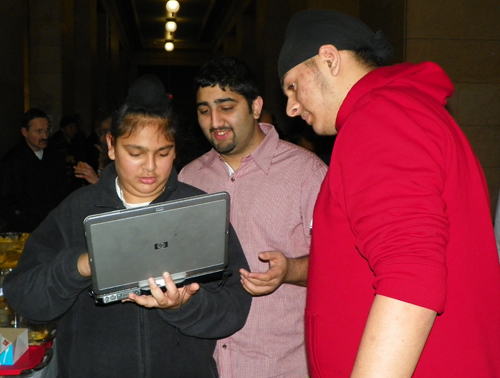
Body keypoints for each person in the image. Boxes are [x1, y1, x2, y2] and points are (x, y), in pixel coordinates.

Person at [278, 9, 500, 378]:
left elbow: (411, 276)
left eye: (292, 86)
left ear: (329, 59)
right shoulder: (404, 110)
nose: (291, 106)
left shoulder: (380, 116)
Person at [3, 74, 252, 378]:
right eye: (135, 153)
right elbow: (25, 298)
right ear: (111, 146)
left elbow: (234, 308)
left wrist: (183, 306)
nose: (150, 167)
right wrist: (82, 265)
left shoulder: (199, 212)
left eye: (163, 153)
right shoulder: (76, 210)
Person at [179, 56, 327, 377]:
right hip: (206, 363)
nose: (215, 120)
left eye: (226, 106)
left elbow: (341, 265)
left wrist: (289, 270)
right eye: (204, 110)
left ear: (256, 106)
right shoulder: (189, 179)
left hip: (278, 365)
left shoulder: (307, 173)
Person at [0, 108, 67, 232]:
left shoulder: (54, 156)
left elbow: (63, 189)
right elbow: (7, 202)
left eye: (47, 130)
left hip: (55, 225)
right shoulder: (12, 162)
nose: (45, 136)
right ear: (25, 132)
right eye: (38, 131)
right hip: (27, 229)